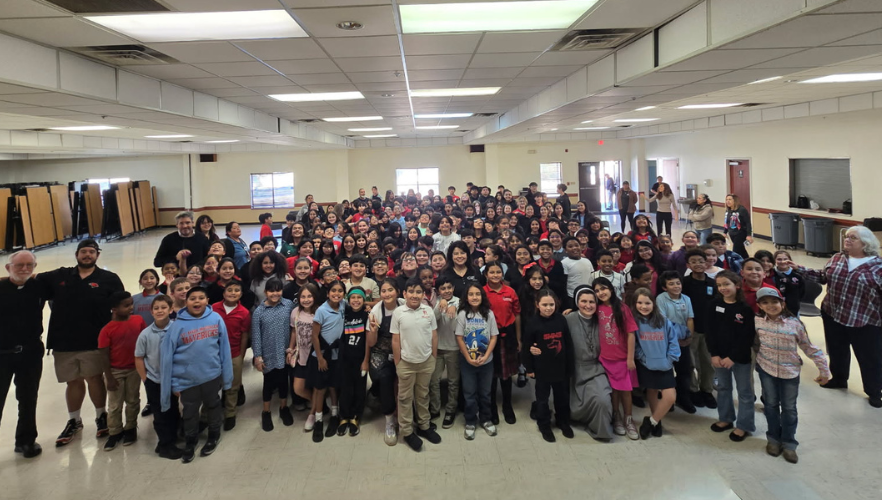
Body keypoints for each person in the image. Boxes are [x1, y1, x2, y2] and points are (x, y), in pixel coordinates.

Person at [40, 239, 125, 447]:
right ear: (76, 254)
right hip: (63, 341)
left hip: (94, 341)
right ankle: (74, 420)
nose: (87, 255)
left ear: (98, 255)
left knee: (94, 378)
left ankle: (100, 416)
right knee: (72, 382)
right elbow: (29, 278)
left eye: (91, 252)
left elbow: (121, 306)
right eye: (83, 252)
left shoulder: (109, 278)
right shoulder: (59, 276)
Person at [792, 225, 882, 408]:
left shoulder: (878, 266)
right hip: (832, 314)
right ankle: (839, 379)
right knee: (837, 350)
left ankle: (874, 391)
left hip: (864, 321)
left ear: (865, 243)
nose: (847, 240)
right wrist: (798, 269)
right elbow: (823, 277)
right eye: (847, 236)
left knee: (869, 357)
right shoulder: (838, 258)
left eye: (853, 238)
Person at [754, 287, 830, 464]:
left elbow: (809, 347)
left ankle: (789, 443)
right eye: (765, 302)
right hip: (767, 370)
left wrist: (824, 370)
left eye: (774, 301)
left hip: (790, 372)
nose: (770, 305)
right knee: (771, 406)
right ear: (759, 305)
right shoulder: (757, 321)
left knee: (789, 409)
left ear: (782, 303)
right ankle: (773, 439)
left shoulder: (794, 324)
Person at [160, 286, 233, 463]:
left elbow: (224, 349)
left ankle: (214, 435)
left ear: (207, 301)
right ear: (186, 302)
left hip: (212, 376)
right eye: (193, 298)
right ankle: (190, 441)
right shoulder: (177, 325)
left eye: (201, 298)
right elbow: (166, 359)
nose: (197, 301)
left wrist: (227, 378)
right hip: (187, 380)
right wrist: (172, 385)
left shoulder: (215, 319)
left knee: (213, 406)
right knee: (190, 412)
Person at [0, 251, 46, 458]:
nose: (25, 269)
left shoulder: (39, 287)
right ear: (8, 268)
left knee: (28, 398)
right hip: (2, 354)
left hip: (30, 354)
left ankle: (26, 441)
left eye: (30, 265)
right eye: (19, 265)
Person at [391, 278, 441, 452]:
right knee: (405, 398)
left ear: (422, 295)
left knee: (423, 395)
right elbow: (395, 340)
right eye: (411, 291)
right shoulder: (398, 312)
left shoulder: (428, 310)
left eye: (418, 292)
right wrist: (398, 362)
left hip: (426, 361)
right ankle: (406, 431)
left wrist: (433, 357)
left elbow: (434, 335)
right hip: (406, 362)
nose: (414, 295)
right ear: (404, 294)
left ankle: (424, 426)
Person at [707, 271, 756, 442]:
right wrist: (714, 354)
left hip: (740, 358)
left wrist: (732, 357)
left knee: (744, 392)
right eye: (719, 285)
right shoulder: (714, 305)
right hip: (719, 357)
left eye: (726, 284)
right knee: (723, 388)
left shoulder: (745, 309)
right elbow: (710, 332)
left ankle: (744, 425)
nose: (723, 288)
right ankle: (726, 418)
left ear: (736, 285)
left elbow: (746, 337)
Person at [523, 289, 574, 443]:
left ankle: (563, 422)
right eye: (544, 305)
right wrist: (529, 368)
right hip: (542, 369)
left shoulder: (561, 320)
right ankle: (544, 425)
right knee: (542, 400)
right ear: (537, 305)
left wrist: (570, 366)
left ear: (556, 304)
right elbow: (526, 347)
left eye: (551, 304)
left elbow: (568, 344)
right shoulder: (532, 323)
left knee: (562, 398)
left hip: (560, 367)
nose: (548, 308)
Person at [135, 295, 182, 460]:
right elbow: (139, 358)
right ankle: (165, 445)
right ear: (151, 311)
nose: (160, 311)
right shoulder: (145, 334)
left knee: (173, 410)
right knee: (160, 413)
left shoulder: (177, 328)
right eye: (156, 308)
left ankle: (172, 438)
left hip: (174, 380)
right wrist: (146, 379)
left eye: (163, 307)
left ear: (171, 310)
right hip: (155, 381)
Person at [98, 291, 147, 451]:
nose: (131, 308)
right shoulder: (107, 330)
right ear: (114, 309)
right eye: (126, 305)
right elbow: (103, 355)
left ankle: (131, 428)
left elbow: (145, 340)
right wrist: (109, 376)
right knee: (114, 404)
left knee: (133, 400)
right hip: (115, 371)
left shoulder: (138, 320)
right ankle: (114, 432)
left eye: (131, 304)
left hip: (134, 369)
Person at [565, 286, 614, 441]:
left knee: (603, 401)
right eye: (583, 301)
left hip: (596, 368)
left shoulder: (602, 318)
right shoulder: (568, 319)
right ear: (577, 302)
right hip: (573, 370)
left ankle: (599, 430)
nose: (588, 305)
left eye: (592, 301)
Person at [594, 277, 639, 440]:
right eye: (597, 291)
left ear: (611, 289)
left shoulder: (622, 308)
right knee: (613, 391)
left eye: (603, 288)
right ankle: (617, 416)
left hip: (622, 358)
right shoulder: (596, 308)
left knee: (626, 391)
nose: (601, 293)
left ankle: (629, 418)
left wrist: (630, 358)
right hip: (605, 359)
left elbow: (631, 333)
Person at [631, 288, 680, 439]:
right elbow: (635, 345)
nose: (643, 306)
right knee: (651, 391)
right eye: (639, 303)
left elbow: (673, 341)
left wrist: (670, 359)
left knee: (670, 396)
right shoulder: (634, 321)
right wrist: (643, 359)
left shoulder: (663, 320)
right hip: (646, 364)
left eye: (647, 303)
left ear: (653, 303)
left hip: (664, 363)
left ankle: (651, 421)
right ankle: (657, 421)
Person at [251, 278, 295, 432]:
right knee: (268, 384)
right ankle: (266, 411)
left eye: (278, 290)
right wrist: (258, 357)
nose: (275, 293)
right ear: (265, 292)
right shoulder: (259, 312)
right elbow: (256, 336)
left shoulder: (288, 305)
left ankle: (283, 408)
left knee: (284, 382)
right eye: (271, 290)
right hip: (268, 353)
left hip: (284, 352)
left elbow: (294, 327)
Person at [482, 262, 521, 425]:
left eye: (498, 272)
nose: (496, 275)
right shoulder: (482, 292)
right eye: (492, 272)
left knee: (506, 375)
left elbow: (517, 315)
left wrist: (519, 338)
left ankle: (507, 405)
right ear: (486, 275)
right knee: (490, 375)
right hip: (489, 337)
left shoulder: (510, 291)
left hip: (508, 335)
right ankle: (491, 407)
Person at [309, 280, 347, 442]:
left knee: (334, 386)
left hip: (337, 354)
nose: (336, 294)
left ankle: (334, 415)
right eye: (333, 291)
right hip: (322, 354)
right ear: (327, 293)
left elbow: (361, 301)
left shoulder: (344, 305)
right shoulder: (322, 311)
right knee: (320, 388)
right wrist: (320, 358)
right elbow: (315, 336)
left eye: (340, 291)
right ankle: (318, 421)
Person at [680, 249, 718, 410]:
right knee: (691, 362)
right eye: (694, 262)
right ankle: (693, 390)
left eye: (701, 261)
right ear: (688, 265)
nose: (698, 264)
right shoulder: (684, 283)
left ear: (707, 263)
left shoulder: (712, 283)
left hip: (709, 330)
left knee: (708, 363)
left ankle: (706, 390)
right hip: (691, 330)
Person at [210, 280, 249, 431]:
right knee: (212, 386)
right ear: (224, 292)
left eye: (236, 290)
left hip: (234, 353)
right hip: (214, 354)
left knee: (233, 386)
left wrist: (241, 354)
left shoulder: (244, 313)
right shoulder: (213, 309)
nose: (233, 293)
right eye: (230, 290)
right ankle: (207, 415)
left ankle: (230, 413)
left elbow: (244, 335)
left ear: (241, 294)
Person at [656, 271, 695, 414]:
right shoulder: (661, 299)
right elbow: (663, 321)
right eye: (671, 284)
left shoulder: (686, 299)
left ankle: (683, 397)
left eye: (678, 283)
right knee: (666, 370)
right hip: (667, 341)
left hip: (684, 341)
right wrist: (675, 339)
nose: (676, 286)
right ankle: (667, 399)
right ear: (665, 287)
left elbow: (690, 319)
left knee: (684, 370)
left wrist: (689, 337)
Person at [336, 287, 370, 437]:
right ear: (348, 300)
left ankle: (356, 416)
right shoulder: (344, 314)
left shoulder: (367, 315)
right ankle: (344, 416)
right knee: (345, 388)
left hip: (360, 359)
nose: (356, 300)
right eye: (353, 298)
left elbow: (368, 341)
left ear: (364, 300)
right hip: (344, 358)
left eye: (359, 298)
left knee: (359, 388)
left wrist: (365, 361)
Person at [430, 276, 460, 428]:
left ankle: (451, 409)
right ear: (438, 291)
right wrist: (440, 305)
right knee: (433, 381)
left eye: (449, 287)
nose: (447, 291)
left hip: (454, 348)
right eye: (443, 288)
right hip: (438, 349)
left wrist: (454, 307)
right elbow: (432, 321)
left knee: (453, 382)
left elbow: (460, 321)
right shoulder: (436, 303)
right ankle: (435, 409)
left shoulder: (460, 302)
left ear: (453, 288)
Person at [561, 237, 594, 309]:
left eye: (576, 245)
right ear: (565, 250)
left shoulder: (587, 261)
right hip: (572, 297)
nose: (574, 248)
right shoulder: (564, 263)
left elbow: (592, 277)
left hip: (589, 295)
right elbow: (563, 283)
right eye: (570, 246)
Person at [771, 250, 806, 316]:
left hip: (793, 308)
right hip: (775, 309)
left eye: (785, 259)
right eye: (779, 259)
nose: (782, 261)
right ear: (774, 261)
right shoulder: (771, 274)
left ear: (790, 260)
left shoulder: (797, 275)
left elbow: (801, 292)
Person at [724, 194, 753, 259]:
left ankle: (734, 263)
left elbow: (748, 223)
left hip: (740, 233)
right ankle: (747, 260)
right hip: (732, 233)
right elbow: (727, 222)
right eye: (727, 200)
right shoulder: (728, 210)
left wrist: (749, 235)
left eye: (730, 199)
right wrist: (725, 232)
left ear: (735, 201)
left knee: (736, 250)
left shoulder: (742, 210)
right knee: (741, 250)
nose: (728, 201)